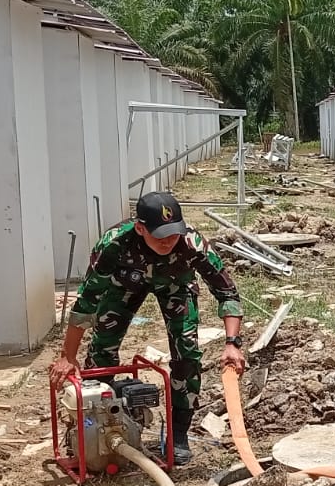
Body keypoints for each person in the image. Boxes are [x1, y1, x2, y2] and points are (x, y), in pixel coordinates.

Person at [50, 192, 245, 466]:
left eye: (173, 234)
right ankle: (99, 420)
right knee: (102, 347)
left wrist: (232, 343)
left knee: (187, 353)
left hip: (175, 286)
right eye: (160, 235)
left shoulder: (192, 244)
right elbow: (87, 302)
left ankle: (178, 434)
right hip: (124, 285)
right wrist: (68, 356)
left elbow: (227, 293)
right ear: (140, 228)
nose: (168, 241)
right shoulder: (115, 244)